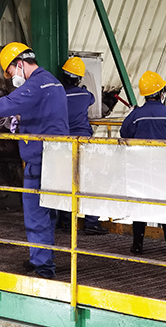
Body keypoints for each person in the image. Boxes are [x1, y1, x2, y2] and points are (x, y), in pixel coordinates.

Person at [0, 42, 69, 279]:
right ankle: (42, 257)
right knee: (48, 211)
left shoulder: (35, 84)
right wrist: (20, 118)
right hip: (57, 156)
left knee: (35, 212)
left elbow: (6, 103)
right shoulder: (53, 82)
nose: (11, 77)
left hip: (40, 158)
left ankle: (44, 266)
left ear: (19, 63)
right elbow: (45, 114)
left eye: (10, 72)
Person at [120, 70, 166, 255]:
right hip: (164, 170)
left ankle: (137, 245)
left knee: (140, 203)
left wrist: (133, 116)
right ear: (161, 92)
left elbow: (124, 135)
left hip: (140, 169)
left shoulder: (136, 115)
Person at [56, 57, 109, 235]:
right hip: (83, 143)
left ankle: (66, 222)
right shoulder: (84, 95)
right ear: (78, 79)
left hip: (63, 144)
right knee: (90, 182)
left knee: (64, 182)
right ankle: (91, 223)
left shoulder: (57, 95)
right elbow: (92, 99)